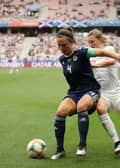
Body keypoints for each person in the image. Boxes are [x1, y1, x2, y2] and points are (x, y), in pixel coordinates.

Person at [50, 27, 120, 160]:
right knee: (60, 112)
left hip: (90, 90)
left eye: (64, 45)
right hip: (74, 92)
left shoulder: (82, 52)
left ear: (72, 42)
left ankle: (82, 145)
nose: (61, 47)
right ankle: (60, 150)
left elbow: (100, 52)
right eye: (59, 45)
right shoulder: (62, 59)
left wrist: (117, 56)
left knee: (82, 106)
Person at [88, 28, 120, 155]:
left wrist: (95, 65)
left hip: (117, 90)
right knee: (101, 109)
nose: (91, 44)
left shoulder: (109, 49)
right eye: (89, 42)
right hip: (103, 92)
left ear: (99, 39)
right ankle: (117, 141)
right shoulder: (91, 55)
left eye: (93, 41)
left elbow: (111, 61)